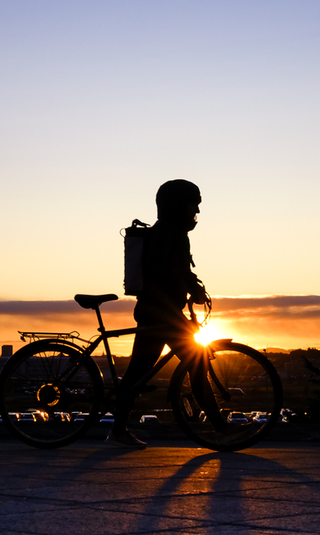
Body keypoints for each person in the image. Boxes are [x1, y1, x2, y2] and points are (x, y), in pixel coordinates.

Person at [108, 179, 209, 448]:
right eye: (191, 206)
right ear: (176, 206)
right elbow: (158, 269)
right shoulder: (166, 233)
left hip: (164, 314)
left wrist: (193, 284)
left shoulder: (173, 232)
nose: (195, 212)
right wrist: (189, 284)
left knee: (147, 372)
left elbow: (178, 271)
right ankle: (220, 425)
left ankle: (117, 430)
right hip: (159, 315)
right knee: (191, 364)